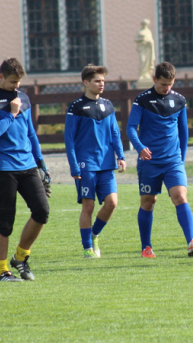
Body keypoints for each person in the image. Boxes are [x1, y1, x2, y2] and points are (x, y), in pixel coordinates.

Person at [0, 58, 51, 282]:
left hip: (28, 165)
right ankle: (2, 272)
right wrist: (11, 113)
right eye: (12, 82)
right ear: (0, 77)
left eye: (19, 82)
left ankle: (20, 258)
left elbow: (31, 133)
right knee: (5, 220)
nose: (16, 87)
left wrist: (42, 165)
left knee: (42, 211)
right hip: (3, 167)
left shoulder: (24, 99)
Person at [126, 62, 193, 258]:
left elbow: (183, 132)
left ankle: (191, 241)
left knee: (180, 196)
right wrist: (140, 147)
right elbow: (130, 128)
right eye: (163, 84)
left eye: (170, 84)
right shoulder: (142, 100)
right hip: (149, 162)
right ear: (155, 80)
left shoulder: (179, 100)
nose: (167, 88)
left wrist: (182, 159)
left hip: (173, 161)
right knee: (148, 202)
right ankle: (146, 247)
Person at [65, 65, 127, 258]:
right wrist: (74, 165)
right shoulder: (76, 107)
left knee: (112, 203)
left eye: (103, 81)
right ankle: (87, 248)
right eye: (97, 81)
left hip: (106, 164)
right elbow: (69, 138)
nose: (101, 84)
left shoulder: (108, 105)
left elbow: (115, 133)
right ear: (86, 83)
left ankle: (94, 234)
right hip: (86, 164)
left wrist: (121, 156)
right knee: (88, 207)